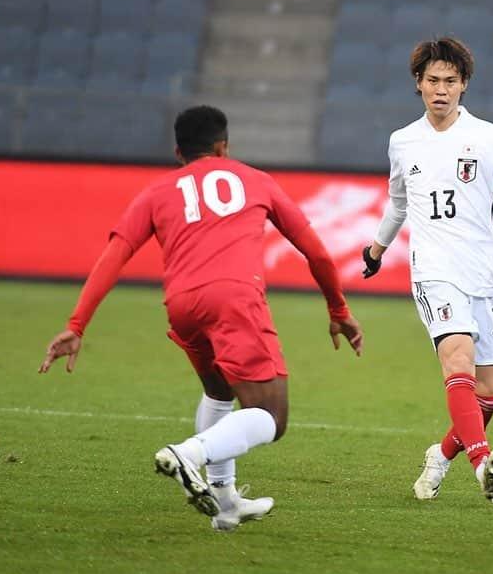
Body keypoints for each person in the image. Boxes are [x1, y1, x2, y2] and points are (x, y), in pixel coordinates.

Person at [39, 106, 363, 531]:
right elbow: (317, 252)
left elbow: (115, 253)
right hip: (234, 297)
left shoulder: (157, 192)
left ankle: (225, 502)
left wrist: (77, 324)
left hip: (182, 305)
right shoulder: (256, 180)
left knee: (218, 391)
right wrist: (338, 310)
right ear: (223, 146)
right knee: (272, 418)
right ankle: (188, 454)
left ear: (178, 152)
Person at [360, 37, 493, 503]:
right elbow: (399, 204)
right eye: (432, 80)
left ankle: (440, 457)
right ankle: (483, 466)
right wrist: (377, 249)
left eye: (450, 81)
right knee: (457, 360)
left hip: (485, 274)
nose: (441, 89)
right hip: (434, 271)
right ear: (418, 84)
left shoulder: (490, 136)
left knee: (491, 392)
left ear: (464, 86)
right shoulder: (403, 142)